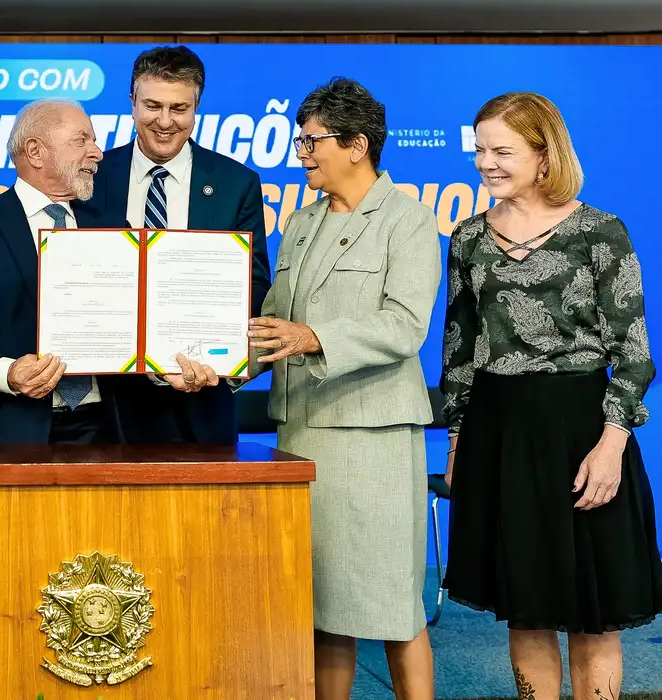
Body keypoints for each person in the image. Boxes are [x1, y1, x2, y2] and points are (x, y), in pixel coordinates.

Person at [440, 91, 662, 700]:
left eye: (502, 151)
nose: (485, 163)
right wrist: (457, 441)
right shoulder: (467, 238)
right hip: (499, 434)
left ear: (545, 155)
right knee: (527, 608)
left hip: (584, 430)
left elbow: (634, 351)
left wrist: (612, 445)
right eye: (479, 150)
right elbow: (458, 351)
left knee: (595, 611)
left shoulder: (600, 231)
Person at [246, 77, 440, 700]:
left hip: (371, 439)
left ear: (357, 145)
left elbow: (404, 326)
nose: (302, 153)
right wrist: (215, 367)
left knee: (392, 606)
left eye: (313, 141)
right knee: (324, 606)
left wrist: (314, 337)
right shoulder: (301, 222)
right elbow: (273, 326)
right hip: (301, 436)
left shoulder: (407, 220)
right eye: (300, 141)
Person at [74, 45, 271, 444]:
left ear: (196, 108)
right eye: (152, 106)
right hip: (105, 407)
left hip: (201, 399)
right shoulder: (90, 176)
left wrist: (222, 354)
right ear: (132, 102)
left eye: (179, 108)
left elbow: (252, 285)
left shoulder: (236, 183)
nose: (165, 121)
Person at [0, 98, 131, 444]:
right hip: (4, 431)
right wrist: (7, 372)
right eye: (81, 140)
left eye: (94, 141)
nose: (97, 153)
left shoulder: (112, 226)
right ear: (35, 151)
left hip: (105, 430)